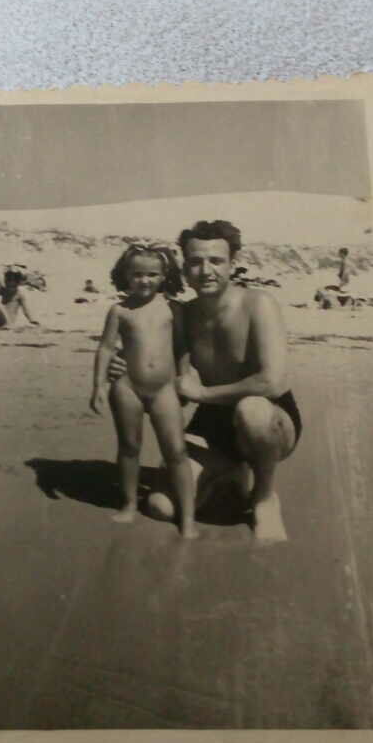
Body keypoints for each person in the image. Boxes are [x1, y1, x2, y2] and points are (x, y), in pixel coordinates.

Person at [111, 220, 301, 542]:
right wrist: (124, 367)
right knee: (160, 507)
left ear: (233, 264)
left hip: (270, 420)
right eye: (196, 261)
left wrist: (202, 393)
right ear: (184, 268)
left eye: (216, 261)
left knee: (251, 410)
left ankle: (264, 495)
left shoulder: (258, 304)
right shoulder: (182, 314)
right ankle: (229, 471)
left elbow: (273, 383)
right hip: (212, 424)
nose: (206, 270)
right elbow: (174, 387)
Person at [90, 242, 198, 539]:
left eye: (152, 274)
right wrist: (98, 384)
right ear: (125, 275)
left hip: (164, 389)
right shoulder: (119, 311)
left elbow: (182, 349)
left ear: (164, 276)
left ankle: (188, 518)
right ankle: (128, 504)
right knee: (129, 447)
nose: (144, 281)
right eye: (137, 274)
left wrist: (184, 379)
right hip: (127, 387)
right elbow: (106, 347)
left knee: (176, 450)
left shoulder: (173, 309)